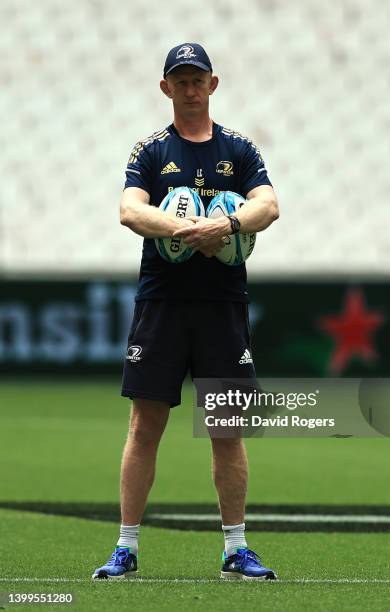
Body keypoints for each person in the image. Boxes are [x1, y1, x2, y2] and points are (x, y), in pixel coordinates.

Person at [92, 43, 279, 581]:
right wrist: (182, 229)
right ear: (165, 87)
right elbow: (129, 210)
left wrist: (227, 226)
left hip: (223, 306)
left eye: (199, 79)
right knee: (146, 424)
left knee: (226, 428)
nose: (191, 88)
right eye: (181, 80)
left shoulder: (239, 149)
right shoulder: (150, 151)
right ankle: (126, 548)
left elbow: (269, 205)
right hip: (163, 304)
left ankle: (235, 550)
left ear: (213, 85)